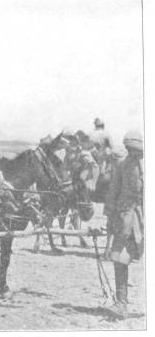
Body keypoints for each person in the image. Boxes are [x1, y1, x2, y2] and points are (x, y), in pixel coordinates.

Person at [103, 130, 143, 319]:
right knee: (120, 259)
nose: (134, 153)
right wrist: (110, 215)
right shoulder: (121, 165)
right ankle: (121, 304)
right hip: (126, 217)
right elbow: (112, 192)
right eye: (130, 149)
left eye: (137, 150)